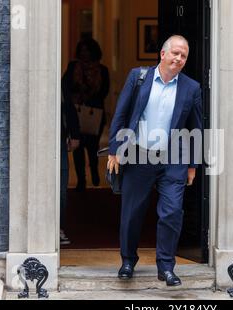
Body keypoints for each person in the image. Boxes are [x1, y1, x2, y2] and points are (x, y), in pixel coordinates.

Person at [107, 35, 202, 286]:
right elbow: (122, 113)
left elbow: (196, 128)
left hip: (173, 160)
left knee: (172, 212)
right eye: (175, 54)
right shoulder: (138, 77)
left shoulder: (191, 88)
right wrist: (115, 150)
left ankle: (166, 267)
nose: (179, 59)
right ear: (163, 54)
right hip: (138, 155)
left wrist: (192, 164)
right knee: (132, 213)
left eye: (183, 56)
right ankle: (128, 261)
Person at [62, 38, 110, 191]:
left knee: (92, 146)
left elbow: (105, 91)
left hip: (94, 113)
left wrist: (89, 95)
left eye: (87, 51)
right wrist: (77, 92)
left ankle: (94, 169)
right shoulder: (72, 67)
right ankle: (81, 179)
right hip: (76, 112)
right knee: (78, 146)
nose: (84, 54)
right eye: (82, 51)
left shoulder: (102, 70)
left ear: (93, 52)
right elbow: (65, 86)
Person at [60, 82, 80, 245]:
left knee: (61, 188)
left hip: (60, 141)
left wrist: (74, 134)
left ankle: (58, 228)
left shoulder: (61, 86)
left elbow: (69, 109)